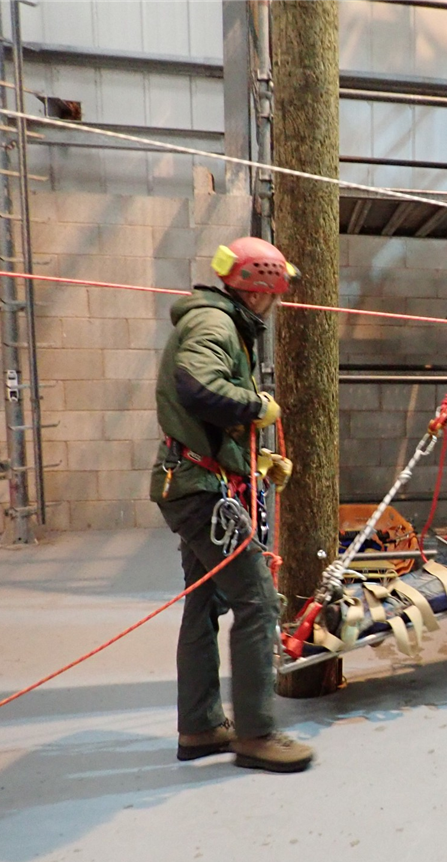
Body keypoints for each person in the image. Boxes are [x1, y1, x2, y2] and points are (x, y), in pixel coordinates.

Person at [150, 236, 313, 773]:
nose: (276, 304)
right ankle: (257, 735)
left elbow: (205, 418)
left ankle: (199, 726)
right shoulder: (216, 324)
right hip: (199, 491)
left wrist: (256, 462)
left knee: (204, 603)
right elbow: (197, 387)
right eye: (276, 294)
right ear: (260, 290)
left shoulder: (219, 321)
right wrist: (256, 405)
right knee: (258, 602)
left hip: (195, 481)